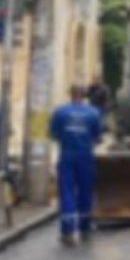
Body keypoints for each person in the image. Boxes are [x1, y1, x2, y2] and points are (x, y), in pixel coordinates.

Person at [49, 85, 102, 245]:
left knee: (67, 192)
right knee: (85, 191)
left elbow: (54, 134)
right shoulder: (93, 113)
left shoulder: (60, 112)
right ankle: (84, 228)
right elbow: (97, 136)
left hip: (67, 156)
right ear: (85, 95)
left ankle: (68, 232)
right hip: (85, 156)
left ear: (70, 94)